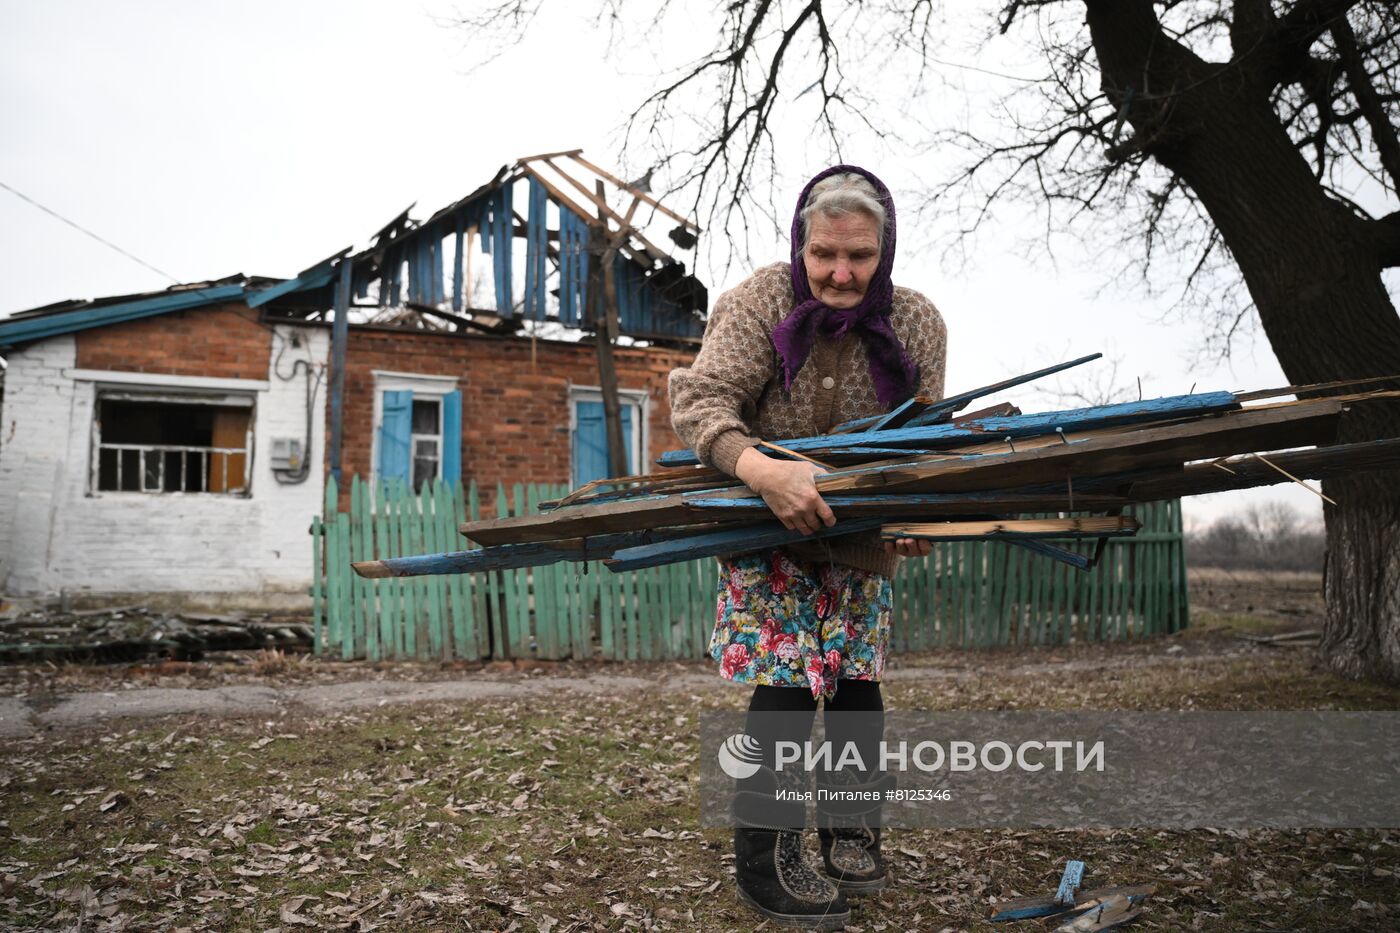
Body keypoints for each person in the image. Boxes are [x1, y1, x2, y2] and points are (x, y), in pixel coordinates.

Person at [668, 165, 948, 929]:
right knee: (789, 687)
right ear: (803, 242)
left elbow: (925, 436)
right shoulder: (762, 301)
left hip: (860, 539)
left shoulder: (917, 322)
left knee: (856, 684)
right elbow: (699, 400)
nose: (839, 272)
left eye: (858, 256)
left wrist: (918, 510)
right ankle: (768, 856)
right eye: (825, 253)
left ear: (883, 252)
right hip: (767, 531)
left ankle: (851, 829)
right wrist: (764, 471)